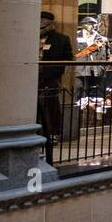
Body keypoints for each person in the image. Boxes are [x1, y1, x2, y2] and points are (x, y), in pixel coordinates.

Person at [39, 11, 74, 139]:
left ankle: (54, 132)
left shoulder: (61, 39)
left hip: (51, 77)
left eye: (44, 23)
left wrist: (54, 70)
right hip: (32, 77)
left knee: (52, 105)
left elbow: (68, 59)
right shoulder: (29, 37)